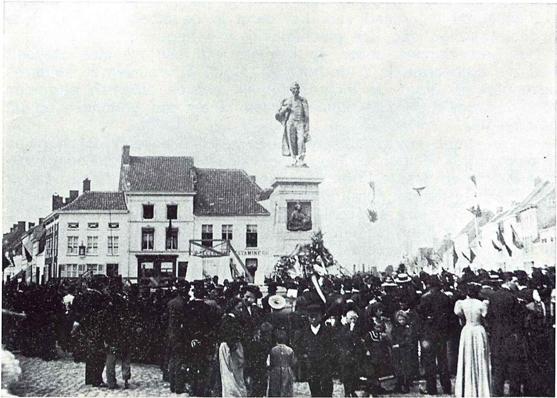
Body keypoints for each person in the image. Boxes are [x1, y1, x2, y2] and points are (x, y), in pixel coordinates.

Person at [485, 273, 527, 396]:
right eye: (514, 281)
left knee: (499, 366)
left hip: (497, 336)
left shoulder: (493, 296)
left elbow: (489, 317)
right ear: (508, 281)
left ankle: (497, 392)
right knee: (513, 366)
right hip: (511, 336)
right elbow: (519, 318)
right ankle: (514, 392)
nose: (516, 284)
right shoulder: (512, 297)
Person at [416, 276, 453, 395]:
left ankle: (432, 389)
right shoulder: (445, 298)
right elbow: (450, 317)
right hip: (442, 334)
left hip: (428, 334)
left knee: (429, 362)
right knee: (443, 360)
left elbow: (420, 315)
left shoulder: (425, 298)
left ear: (429, 285)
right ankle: (446, 387)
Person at [453, 283, 491, 397]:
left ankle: (467, 389)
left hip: (467, 330)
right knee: (480, 357)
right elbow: (485, 316)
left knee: (467, 357)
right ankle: (481, 389)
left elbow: (460, 315)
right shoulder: (482, 304)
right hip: (478, 330)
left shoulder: (461, 303)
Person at [294, 304, 335, 397]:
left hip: (325, 366)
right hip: (311, 367)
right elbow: (298, 348)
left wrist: (330, 359)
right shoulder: (303, 332)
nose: (313, 319)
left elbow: (333, 347)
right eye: (311, 317)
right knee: (314, 389)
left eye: (315, 317)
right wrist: (304, 357)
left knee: (327, 389)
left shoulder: (328, 331)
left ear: (320, 317)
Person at [275, 82, 310, 167]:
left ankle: (300, 159)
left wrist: (307, 129)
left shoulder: (303, 100)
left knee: (301, 140)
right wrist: (286, 108)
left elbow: (307, 116)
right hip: (290, 122)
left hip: (300, 122)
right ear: (291, 90)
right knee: (292, 141)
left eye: (297, 88)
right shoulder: (287, 100)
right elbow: (278, 114)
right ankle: (294, 159)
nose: (296, 90)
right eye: (294, 89)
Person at [219, 297, 248, 397]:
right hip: (231, 348)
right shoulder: (229, 320)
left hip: (232, 346)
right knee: (232, 373)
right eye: (238, 308)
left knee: (234, 373)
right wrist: (234, 348)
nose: (240, 311)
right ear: (232, 308)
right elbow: (229, 336)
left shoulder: (232, 319)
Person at [165, 281, 189, 394]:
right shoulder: (183, 304)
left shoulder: (171, 302)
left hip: (171, 334)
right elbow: (184, 322)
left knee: (172, 360)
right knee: (180, 360)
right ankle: (179, 386)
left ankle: (172, 384)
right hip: (179, 335)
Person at [391, 311, 417, 393]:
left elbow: (409, 339)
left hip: (405, 349)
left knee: (406, 367)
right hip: (397, 350)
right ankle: (399, 383)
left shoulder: (408, 328)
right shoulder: (395, 328)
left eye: (402, 319)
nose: (401, 321)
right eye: (399, 320)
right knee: (398, 366)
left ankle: (406, 384)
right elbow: (393, 336)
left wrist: (400, 344)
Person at [268, 329, 297, 397]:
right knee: (286, 390)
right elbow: (293, 362)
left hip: (275, 371)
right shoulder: (290, 350)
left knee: (275, 390)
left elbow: (270, 362)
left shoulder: (273, 350)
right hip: (287, 370)